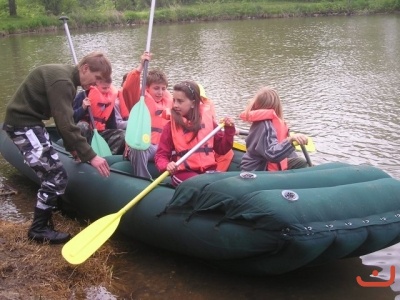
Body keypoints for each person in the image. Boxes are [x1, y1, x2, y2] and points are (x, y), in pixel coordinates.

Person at [2, 52, 112, 244]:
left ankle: (53, 210)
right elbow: (65, 125)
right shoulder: (64, 82)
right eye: (96, 78)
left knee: (53, 170)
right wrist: (91, 156)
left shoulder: (67, 78)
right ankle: (38, 229)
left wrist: (73, 149)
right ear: (85, 68)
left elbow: (65, 121)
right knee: (55, 175)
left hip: (32, 123)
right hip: (23, 124)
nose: (95, 84)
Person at [154, 81, 236, 186]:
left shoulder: (209, 123)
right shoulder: (169, 127)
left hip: (208, 171)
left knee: (223, 186)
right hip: (183, 172)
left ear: (193, 103)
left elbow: (222, 149)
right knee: (201, 184)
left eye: (180, 101)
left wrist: (229, 130)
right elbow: (161, 155)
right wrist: (166, 165)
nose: (175, 105)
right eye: (174, 100)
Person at [123, 52, 173, 178]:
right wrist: (140, 66)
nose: (160, 92)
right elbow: (128, 88)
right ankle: (142, 178)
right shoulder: (140, 99)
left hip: (161, 148)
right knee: (139, 148)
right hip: (145, 147)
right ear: (147, 88)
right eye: (156, 88)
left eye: (163, 88)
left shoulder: (170, 101)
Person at [239, 86, 309, 172]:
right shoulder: (265, 125)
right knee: (301, 165)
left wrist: (290, 144)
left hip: (271, 165)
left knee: (301, 162)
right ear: (277, 106)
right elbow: (272, 155)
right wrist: (290, 141)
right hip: (258, 170)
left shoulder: (270, 122)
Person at [73, 78, 126, 155]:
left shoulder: (109, 100)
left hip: (100, 133)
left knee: (123, 134)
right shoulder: (82, 96)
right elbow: (72, 118)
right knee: (83, 126)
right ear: (95, 85)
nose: (107, 90)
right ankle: (84, 153)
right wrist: (83, 108)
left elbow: (112, 124)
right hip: (86, 132)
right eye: (104, 88)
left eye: (109, 87)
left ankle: (107, 157)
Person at [197, 83, 235, 172]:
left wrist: (229, 130)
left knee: (227, 154)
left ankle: (216, 176)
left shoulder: (208, 119)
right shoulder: (179, 119)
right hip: (191, 160)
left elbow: (222, 147)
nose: (199, 103)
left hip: (207, 149)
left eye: (201, 100)